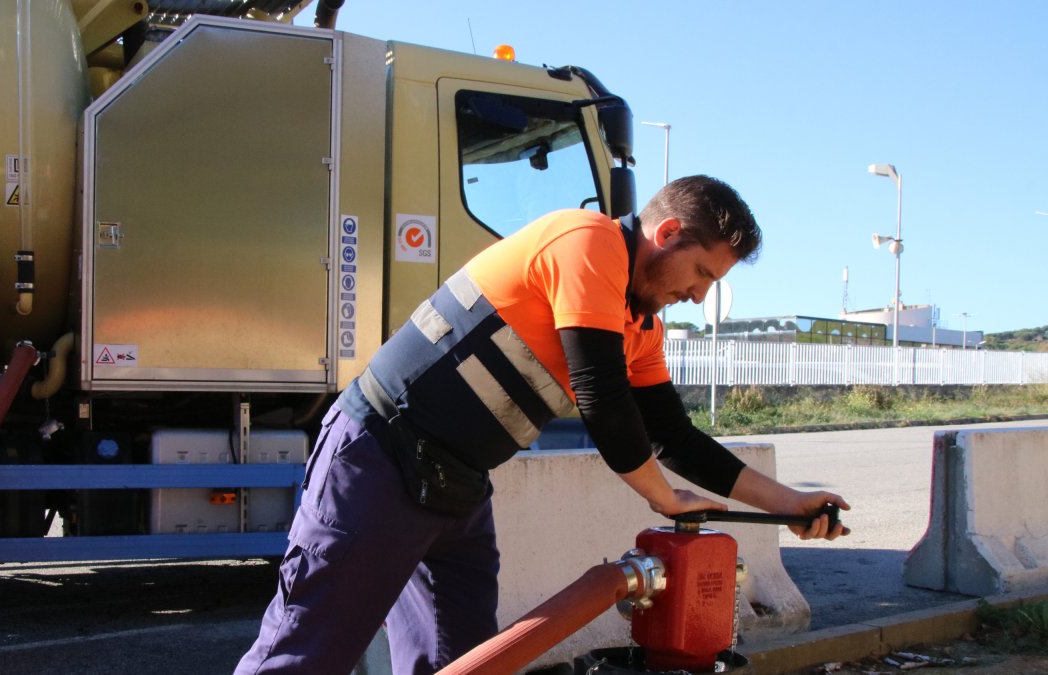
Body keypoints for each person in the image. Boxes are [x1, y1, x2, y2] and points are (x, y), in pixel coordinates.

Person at [235, 176, 850, 675]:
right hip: (381, 454)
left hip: (458, 484)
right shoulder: (587, 242)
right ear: (666, 233)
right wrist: (665, 499)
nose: (698, 295)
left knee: (467, 662)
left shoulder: (642, 326)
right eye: (702, 275)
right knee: (308, 649)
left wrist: (790, 503)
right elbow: (601, 397)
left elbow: (675, 437)